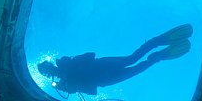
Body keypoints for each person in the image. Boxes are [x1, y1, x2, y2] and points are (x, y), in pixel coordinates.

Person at [37, 23, 193, 95]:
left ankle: (157, 42)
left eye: (46, 68)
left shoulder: (65, 63)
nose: (49, 71)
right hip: (104, 79)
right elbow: (88, 91)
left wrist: (72, 64)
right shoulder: (62, 84)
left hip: (102, 66)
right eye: (46, 71)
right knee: (137, 68)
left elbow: (91, 55)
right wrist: (63, 86)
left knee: (132, 59)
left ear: (49, 64)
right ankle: (159, 55)